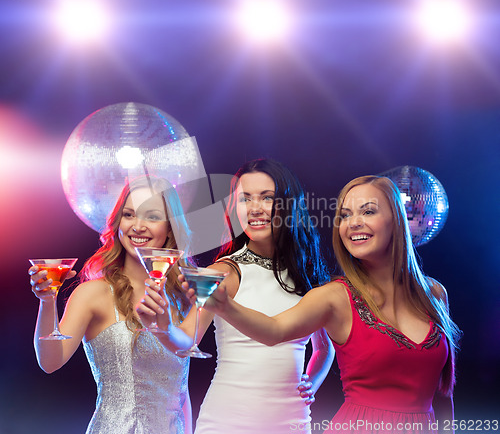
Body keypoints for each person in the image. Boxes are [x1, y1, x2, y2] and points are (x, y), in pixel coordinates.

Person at [202, 175, 461, 434]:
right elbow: (274, 330)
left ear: (396, 219)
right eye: (345, 215)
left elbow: (442, 394)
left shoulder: (435, 293)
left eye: (368, 211)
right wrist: (225, 306)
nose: (354, 223)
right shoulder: (334, 297)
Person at [137, 158, 335, 434]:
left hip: (294, 424)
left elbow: (324, 349)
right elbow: (187, 339)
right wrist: (164, 327)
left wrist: (311, 383)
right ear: (234, 209)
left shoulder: (309, 276)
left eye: (267, 198)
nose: (255, 208)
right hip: (228, 422)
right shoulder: (225, 272)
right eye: (245, 199)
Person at [30, 176, 193, 434]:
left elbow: (181, 393)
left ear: (170, 229)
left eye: (151, 216)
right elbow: (51, 361)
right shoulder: (92, 294)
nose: (138, 226)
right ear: (118, 223)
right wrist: (47, 300)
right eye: (129, 215)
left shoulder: (182, 298)